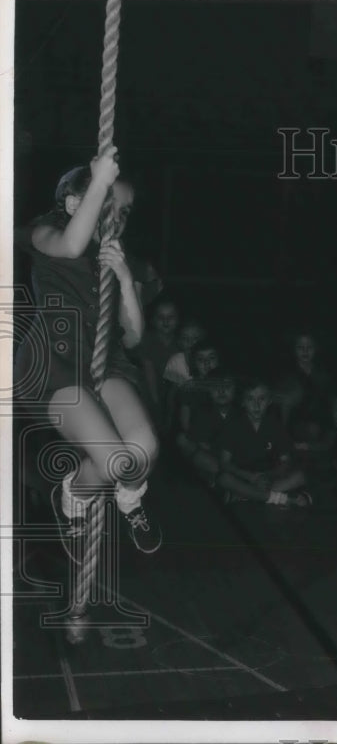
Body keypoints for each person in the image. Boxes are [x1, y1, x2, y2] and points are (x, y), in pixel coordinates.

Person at [13, 149, 162, 554]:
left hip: (106, 364)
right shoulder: (46, 233)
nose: (119, 219)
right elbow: (71, 244)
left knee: (144, 450)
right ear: (75, 204)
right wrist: (99, 181)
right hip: (55, 367)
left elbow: (133, 339)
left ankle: (130, 499)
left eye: (125, 211)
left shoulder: (121, 257)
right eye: (110, 206)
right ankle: (74, 498)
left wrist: (126, 281)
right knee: (113, 462)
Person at [216, 377, 311, 507]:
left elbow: (286, 461)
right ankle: (281, 499)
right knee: (224, 479)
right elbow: (224, 463)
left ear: (269, 401)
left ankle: (245, 495)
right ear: (243, 402)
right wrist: (251, 477)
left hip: (268, 479)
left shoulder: (275, 425)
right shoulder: (233, 425)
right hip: (242, 477)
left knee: (300, 476)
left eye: (262, 399)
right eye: (250, 399)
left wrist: (267, 476)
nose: (256, 405)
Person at [274, 331, 336, 470]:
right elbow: (279, 406)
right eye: (300, 347)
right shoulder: (285, 375)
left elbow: (330, 407)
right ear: (294, 349)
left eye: (309, 347)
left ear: (316, 349)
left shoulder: (324, 376)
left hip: (319, 433)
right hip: (292, 431)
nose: (305, 351)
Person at [175, 367, 236, 488]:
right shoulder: (204, 413)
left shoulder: (241, 411)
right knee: (203, 460)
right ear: (208, 390)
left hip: (237, 458)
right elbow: (203, 445)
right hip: (215, 456)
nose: (221, 391)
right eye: (216, 387)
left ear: (235, 389)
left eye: (227, 386)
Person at [135, 297, 180, 427]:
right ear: (153, 320)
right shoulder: (147, 339)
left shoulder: (180, 341)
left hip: (173, 388)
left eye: (171, 317)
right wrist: (156, 402)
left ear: (178, 319)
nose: (166, 321)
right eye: (161, 317)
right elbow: (149, 372)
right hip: (148, 388)